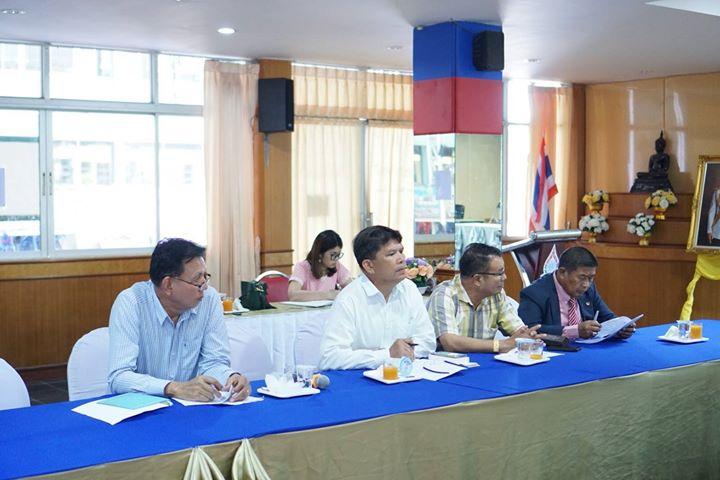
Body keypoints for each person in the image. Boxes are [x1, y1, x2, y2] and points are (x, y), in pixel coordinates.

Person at [108, 238, 250, 402]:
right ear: (168, 284)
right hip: (142, 408)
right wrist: (173, 388)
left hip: (190, 406)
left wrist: (230, 378)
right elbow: (119, 377)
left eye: (205, 277)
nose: (204, 286)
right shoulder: (131, 303)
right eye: (197, 280)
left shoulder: (209, 299)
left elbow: (213, 362)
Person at [318, 225, 436, 370]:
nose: (401, 259)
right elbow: (329, 357)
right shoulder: (349, 299)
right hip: (360, 380)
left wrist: (402, 353)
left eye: (401, 251)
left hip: (405, 374)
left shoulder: (409, 289)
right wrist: (387, 355)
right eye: (391, 254)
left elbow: (428, 341)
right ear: (369, 266)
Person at [427, 243, 541, 353]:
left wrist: (527, 336)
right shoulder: (445, 294)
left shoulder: (496, 294)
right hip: (447, 363)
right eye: (499, 274)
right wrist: (500, 345)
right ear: (478, 279)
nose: (505, 277)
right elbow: (450, 343)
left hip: (484, 362)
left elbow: (517, 330)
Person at [518, 246, 635, 340]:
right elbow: (530, 330)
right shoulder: (534, 293)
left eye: (591, 278)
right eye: (582, 277)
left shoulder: (589, 289)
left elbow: (608, 317)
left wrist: (620, 328)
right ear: (562, 272)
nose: (586, 284)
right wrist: (575, 331)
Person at [288, 230, 352, 301]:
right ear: (320, 254)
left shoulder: (337, 266)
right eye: (333, 255)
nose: (336, 259)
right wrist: (327, 295)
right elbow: (292, 294)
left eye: (338, 255)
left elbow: (351, 287)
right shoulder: (302, 267)